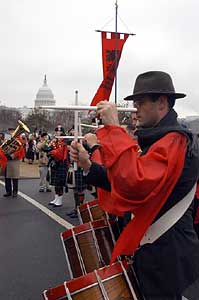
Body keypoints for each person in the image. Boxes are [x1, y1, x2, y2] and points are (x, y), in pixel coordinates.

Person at [70, 71, 199, 300]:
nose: (135, 108)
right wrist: (89, 165)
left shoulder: (175, 140)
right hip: (157, 250)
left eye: (140, 102)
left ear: (161, 103)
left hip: (165, 254)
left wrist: (114, 127)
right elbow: (123, 178)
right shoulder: (162, 139)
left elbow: (135, 183)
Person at [46, 125, 69, 207]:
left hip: (62, 163)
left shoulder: (65, 141)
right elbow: (49, 149)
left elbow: (60, 152)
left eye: (60, 131)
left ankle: (60, 199)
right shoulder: (54, 141)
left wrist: (51, 152)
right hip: (54, 163)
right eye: (57, 131)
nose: (58, 133)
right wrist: (48, 150)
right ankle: (56, 198)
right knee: (55, 182)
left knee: (60, 182)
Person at [4, 127, 25, 197]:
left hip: (14, 160)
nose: (11, 132)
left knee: (15, 177)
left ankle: (15, 191)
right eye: (10, 131)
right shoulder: (7, 137)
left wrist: (13, 155)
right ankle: (8, 191)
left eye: (12, 131)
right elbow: (3, 146)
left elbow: (20, 149)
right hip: (7, 159)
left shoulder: (19, 139)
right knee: (7, 177)